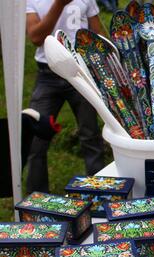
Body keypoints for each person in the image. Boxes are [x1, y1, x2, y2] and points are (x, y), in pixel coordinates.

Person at [25, 0, 105, 193]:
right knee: (35, 137)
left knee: (91, 136)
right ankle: (36, 201)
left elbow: (98, 34)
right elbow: (36, 37)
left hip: (80, 72)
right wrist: (59, 4)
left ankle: (102, 195)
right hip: (48, 74)